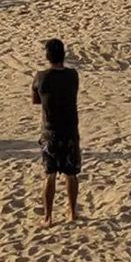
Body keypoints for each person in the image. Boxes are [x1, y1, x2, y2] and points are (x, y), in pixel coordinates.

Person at [31, 38, 80, 225]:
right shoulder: (73, 75)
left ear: (47, 56)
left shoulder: (41, 77)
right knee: (71, 174)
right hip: (69, 129)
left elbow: (36, 100)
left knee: (49, 174)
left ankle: (48, 216)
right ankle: (73, 212)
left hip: (50, 131)